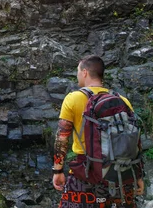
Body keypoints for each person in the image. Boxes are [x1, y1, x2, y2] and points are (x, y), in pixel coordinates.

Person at [52, 55, 144, 208]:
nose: (77, 75)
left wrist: (58, 170)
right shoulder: (122, 100)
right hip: (120, 173)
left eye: (78, 71)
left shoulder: (73, 98)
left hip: (86, 174)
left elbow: (62, 137)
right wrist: (138, 175)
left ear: (85, 72)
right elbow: (135, 140)